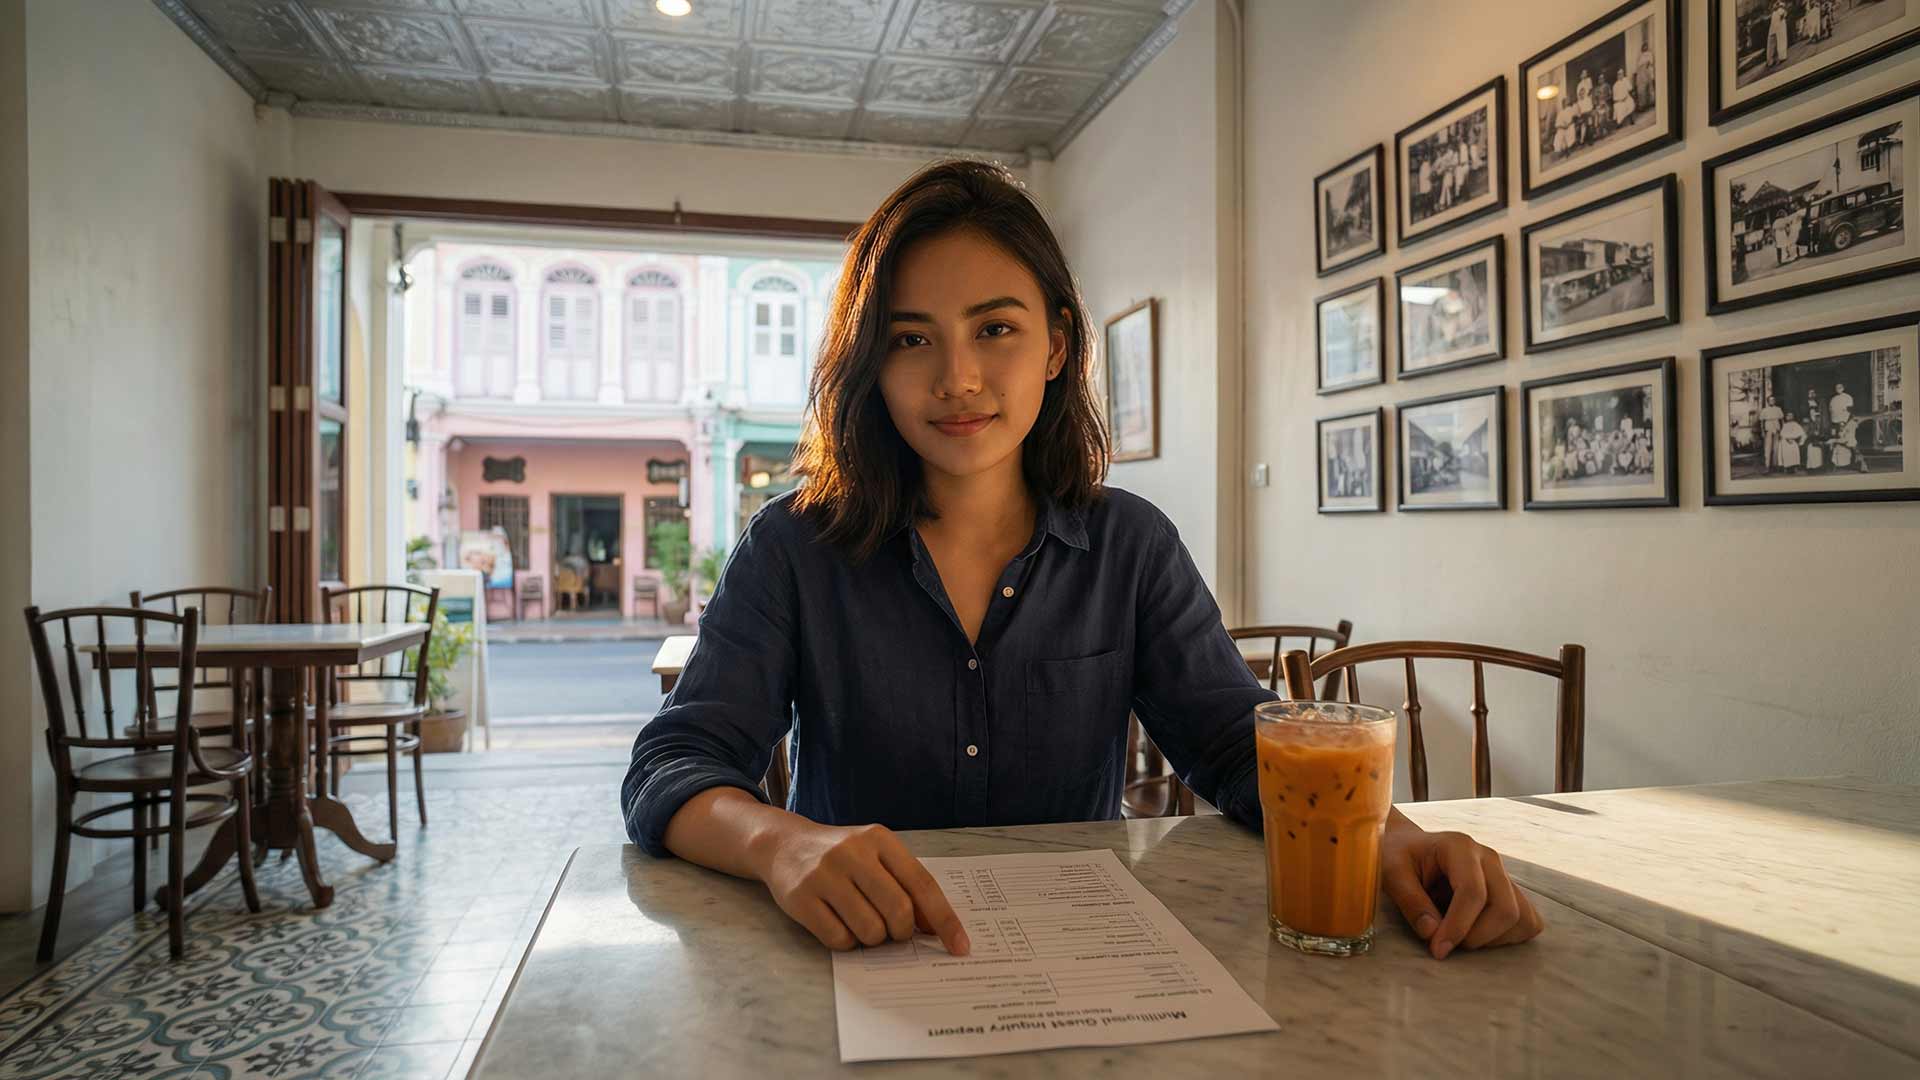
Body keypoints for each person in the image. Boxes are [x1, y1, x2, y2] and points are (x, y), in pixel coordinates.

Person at [621, 160, 1545, 963]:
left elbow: (1232, 742)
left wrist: (1386, 835)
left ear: (1058, 345)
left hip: (1084, 962)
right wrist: (781, 845)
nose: (958, 378)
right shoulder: (795, 545)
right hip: (862, 956)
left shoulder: (1129, 545)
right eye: (912, 340)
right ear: (870, 364)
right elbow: (675, 763)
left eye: (996, 329)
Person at [1759, 394, 1785, 472]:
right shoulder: (1764, 410)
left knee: (1776, 448)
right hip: (1768, 429)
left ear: (1775, 401)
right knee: (1767, 448)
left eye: (1773, 400)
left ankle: (1775, 465)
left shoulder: (1778, 409)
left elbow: (1782, 421)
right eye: (1770, 400)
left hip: (1776, 429)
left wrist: (1782, 431)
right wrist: (1762, 431)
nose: (1772, 401)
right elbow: (1762, 421)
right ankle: (1767, 466)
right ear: (1768, 401)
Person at [1634, 41, 1655, 117]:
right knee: (1641, 89)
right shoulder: (1640, 56)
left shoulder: (1649, 54)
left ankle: (1651, 102)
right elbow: (1638, 65)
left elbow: (1650, 62)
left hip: (1648, 72)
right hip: (1641, 74)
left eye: (1645, 46)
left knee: (1650, 88)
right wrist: (1639, 72)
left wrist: (1646, 66)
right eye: (1643, 47)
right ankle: (1642, 105)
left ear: (1647, 47)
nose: (1644, 48)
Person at [1769, 0, 1790, 67]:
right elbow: (1773, 9)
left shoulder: (1781, 4)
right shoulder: (1775, 5)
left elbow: (1783, 13)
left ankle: (1782, 56)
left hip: (1780, 23)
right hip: (1776, 24)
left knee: (1782, 39)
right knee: (1778, 40)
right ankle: (1779, 56)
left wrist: (1779, 8)